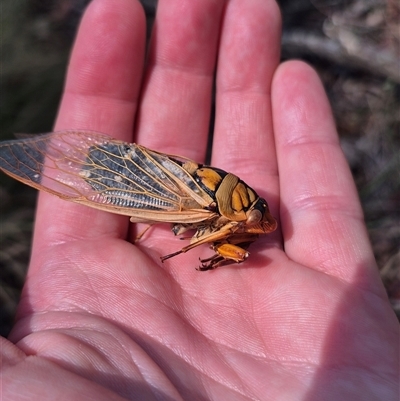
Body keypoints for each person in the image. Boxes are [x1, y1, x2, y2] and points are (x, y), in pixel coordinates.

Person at [1, 0, 398, 399]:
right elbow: (205, 233)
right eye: (251, 213)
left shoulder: (238, 219)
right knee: (96, 187)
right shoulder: (217, 215)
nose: (255, 223)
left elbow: (223, 233)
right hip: (159, 189)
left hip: (177, 180)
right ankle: (79, 158)